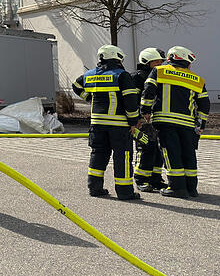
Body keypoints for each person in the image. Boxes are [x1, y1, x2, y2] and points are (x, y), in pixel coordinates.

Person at [72, 45, 142, 201]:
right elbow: (130, 101)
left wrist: (89, 98)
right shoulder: (121, 75)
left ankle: (94, 188)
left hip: (97, 124)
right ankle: (125, 192)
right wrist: (133, 121)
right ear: (117, 58)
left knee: (98, 154)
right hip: (119, 125)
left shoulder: (90, 74)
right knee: (122, 157)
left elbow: (76, 86)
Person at [141, 46, 210, 198]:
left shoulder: (159, 71)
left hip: (165, 122)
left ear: (171, 58)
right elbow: (204, 104)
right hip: (188, 124)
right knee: (188, 154)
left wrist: (145, 110)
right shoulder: (197, 79)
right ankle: (191, 188)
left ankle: (177, 188)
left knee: (171, 153)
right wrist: (201, 123)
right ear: (186, 62)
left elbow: (149, 90)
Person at [131, 48, 167, 192]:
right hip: (140, 122)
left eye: (161, 62)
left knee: (158, 150)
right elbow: (131, 101)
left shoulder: (161, 76)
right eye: (156, 62)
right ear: (146, 62)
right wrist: (135, 119)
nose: (160, 64)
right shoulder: (136, 78)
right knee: (145, 148)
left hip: (156, 121)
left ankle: (155, 179)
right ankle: (141, 179)